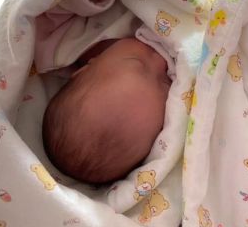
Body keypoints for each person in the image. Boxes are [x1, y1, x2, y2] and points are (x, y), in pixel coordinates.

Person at [42, 35, 172, 185]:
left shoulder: (71, 39)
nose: (161, 62)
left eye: (136, 62)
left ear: (85, 69)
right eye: (165, 83)